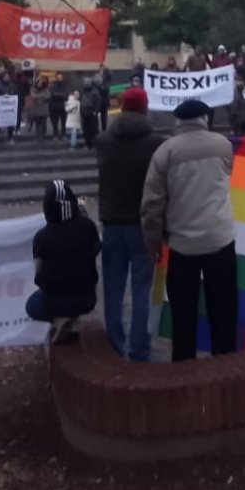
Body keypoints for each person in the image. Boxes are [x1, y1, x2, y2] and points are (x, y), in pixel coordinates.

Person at [141, 99, 236, 361]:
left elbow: (151, 204)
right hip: (220, 240)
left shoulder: (165, 152)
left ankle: (185, 370)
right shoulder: (223, 145)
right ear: (204, 118)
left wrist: (154, 243)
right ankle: (226, 365)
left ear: (178, 121)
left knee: (184, 313)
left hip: (183, 245)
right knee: (224, 309)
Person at [95, 86, 164, 362]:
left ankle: (114, 343)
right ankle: (139, 349)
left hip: (111, 222)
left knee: (112, 287)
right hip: (141, 223)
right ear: (145, 107)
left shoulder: (103, 140)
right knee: (141, 289)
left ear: (122, 107)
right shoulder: (155, 144)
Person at [25, 180, 100, 333]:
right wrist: (82, 217)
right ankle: (72, 318)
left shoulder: (41, 237)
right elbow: (95, 250)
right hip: (86, 299)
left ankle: (60, 319)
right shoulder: (88, 227)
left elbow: (38, 273)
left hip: (53, 301)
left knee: (32, 305)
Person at [48, 74, 68, 140]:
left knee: (64, 122)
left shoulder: (65, 85)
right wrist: (61, 95)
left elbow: (66, 94)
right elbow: (52, 94)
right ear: (56, 78)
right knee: (54, 122)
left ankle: (63, 134)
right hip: (54, 106)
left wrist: (57, 95)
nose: (60, 78)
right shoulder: (52, 85)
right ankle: (55, 134)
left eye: (61, 77)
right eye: (58, 77)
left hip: (63, 106)